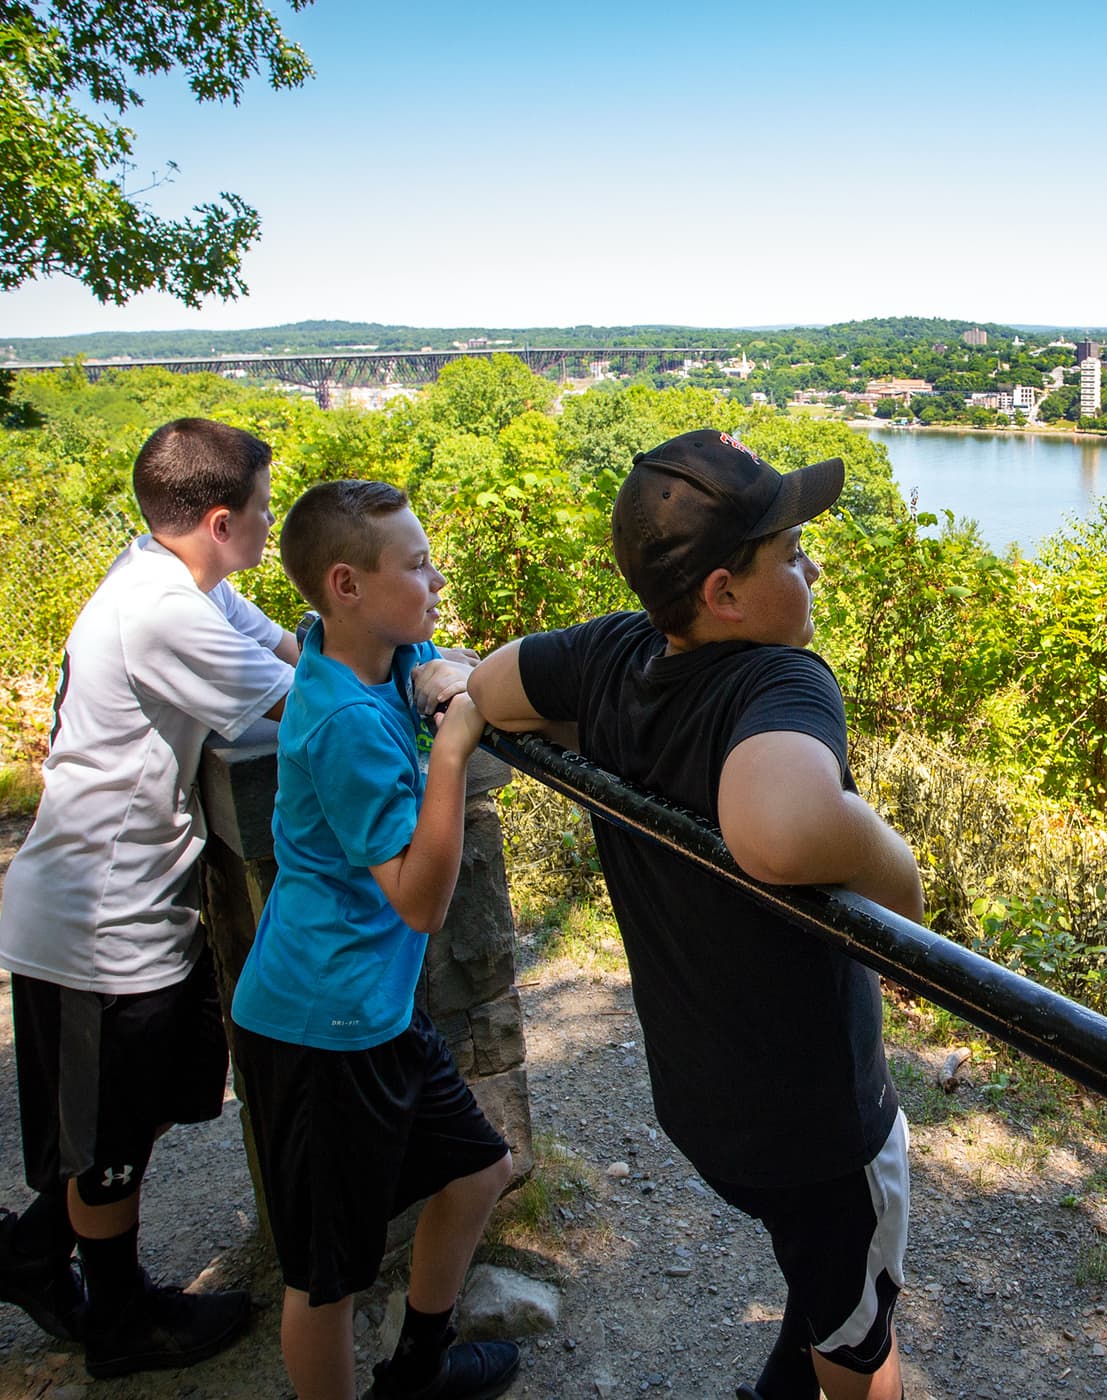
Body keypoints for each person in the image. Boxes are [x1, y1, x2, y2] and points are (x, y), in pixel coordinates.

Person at [469, 429, 923, 1400]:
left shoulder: (613, 653)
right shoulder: (776, 681)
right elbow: (780, 827)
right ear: (723, 592)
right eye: (791, 553)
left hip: (703, 1104)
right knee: (859, 1339)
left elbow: (489, 685)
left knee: (823, 1288)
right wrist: (903, 874)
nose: (812, 564)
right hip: (819, 1133)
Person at [0, 417, 299, 1376]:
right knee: (107, 1141)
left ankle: (27, 1251)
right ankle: (120, 1324)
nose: (272, 531)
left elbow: (290, 649)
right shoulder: (163, 612)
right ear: (224, 520)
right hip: (95, 927)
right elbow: (305, 701)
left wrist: (383, 642)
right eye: (267, 513)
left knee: (145, 1102)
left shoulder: (178, 579)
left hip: (142, 911)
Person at [229, 479, 517, 1400]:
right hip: (319, 1026)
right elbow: (423, 905)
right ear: (346, 583)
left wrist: (446, 674)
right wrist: (450, 747)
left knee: (479, 1171)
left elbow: (450, 665)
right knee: (327, 1275)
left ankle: (417, 1369)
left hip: (373, 1013)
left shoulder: (369, 647)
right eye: (417, 565)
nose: (435, 579)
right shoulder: (344, 719)